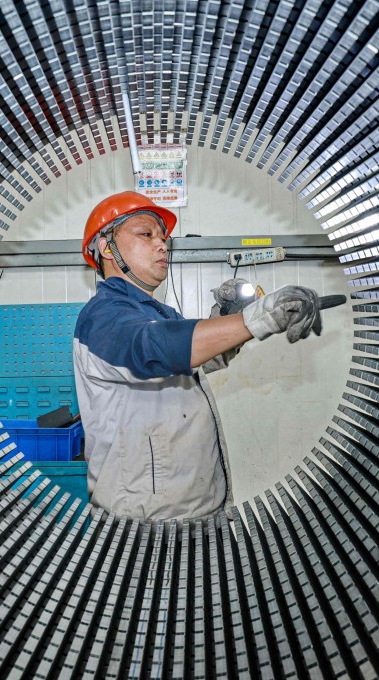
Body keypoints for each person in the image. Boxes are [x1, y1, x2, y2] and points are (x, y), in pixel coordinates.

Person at [73, 191, 323, 521]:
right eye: (146, 234)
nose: (162, 245)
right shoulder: (103, 316)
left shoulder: (159, 313)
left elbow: (198, 359)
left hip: (195, 508)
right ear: (107, 247)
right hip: (149, 522)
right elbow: (157, 349)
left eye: (164, 238)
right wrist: (260, 316)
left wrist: (227, 315)